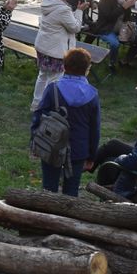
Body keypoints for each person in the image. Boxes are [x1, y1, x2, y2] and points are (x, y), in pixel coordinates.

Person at [31, 48, 100, 197]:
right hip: (78, 149)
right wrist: (92, 156)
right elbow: (95, 129)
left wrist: (35, 143)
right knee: (71, 191)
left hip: (51, 145)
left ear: (64, 66)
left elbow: (38, 116)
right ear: (87, 69)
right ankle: (67, 219)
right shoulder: (92, 94)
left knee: (49, 188)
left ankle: (46, 218)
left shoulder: (53, 89)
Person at [31, 0, 83, 111]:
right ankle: (49, 107)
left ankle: (36, 104)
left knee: (42, 75)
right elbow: (75, 27)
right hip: (56, 50)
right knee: (54, 80)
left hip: (43, 46)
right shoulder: (63, 10)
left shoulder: (47, 3)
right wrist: (79, 11)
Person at [89, 0, 134, 71]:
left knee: (135, 39)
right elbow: (107, 16)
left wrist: (129, 5)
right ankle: (112, 64)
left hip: (119, 27)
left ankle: (125, 61)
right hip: (106, 28)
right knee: (115, 44)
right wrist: (123, 7)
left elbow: (126, 16)